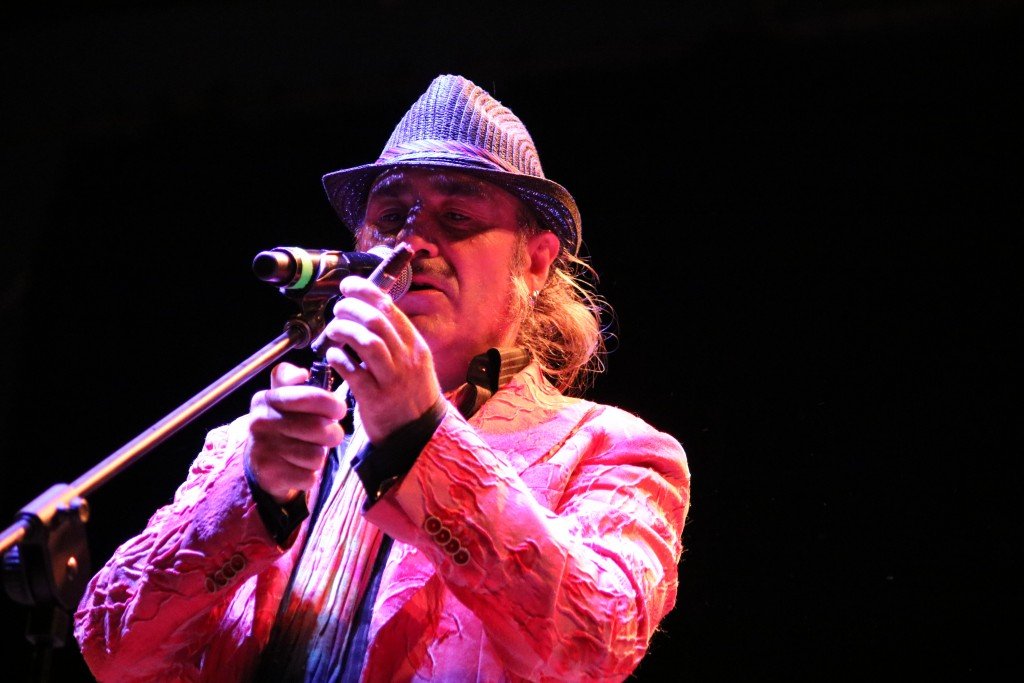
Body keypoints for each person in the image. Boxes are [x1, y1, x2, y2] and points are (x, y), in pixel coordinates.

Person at [74, 73, 692, 682]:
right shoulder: (249, 446)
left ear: (534, 263)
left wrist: (423, 437)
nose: (413, 242)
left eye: (456, 216)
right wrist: (252, 495)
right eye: (392, 215)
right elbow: (109, 649)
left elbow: (594, 646)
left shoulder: (615, 450)